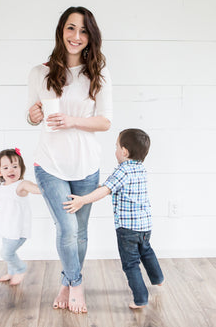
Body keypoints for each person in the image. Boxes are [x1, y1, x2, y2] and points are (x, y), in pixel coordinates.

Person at [26, 6, 113, 313]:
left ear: (90, 37)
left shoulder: (97, 76)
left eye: (83, 31)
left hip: (86, 165)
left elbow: (105, 122)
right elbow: (32, 115)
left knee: (80, 230)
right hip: (49, 164)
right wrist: (33, 115)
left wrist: (73, 121)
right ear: (61, 30)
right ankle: (77, 284)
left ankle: (66, 280)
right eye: (71, 28)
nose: (76, 36)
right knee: (66, 228)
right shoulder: (40, 72)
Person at [63, 128, 164, 309]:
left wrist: (83, 200)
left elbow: (106, 190)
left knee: (131, 263)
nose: (115, 150)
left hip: (127, 229)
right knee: (146, 251)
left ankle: (140, 298)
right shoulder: (140, 169)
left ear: (124, 151)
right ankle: (158, 278)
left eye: (116, 146)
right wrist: (103, 187)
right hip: (145, 225)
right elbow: (118, 189)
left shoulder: (123, 171)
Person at [0, 148, 41, 286]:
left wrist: (47, 187)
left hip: (18, 231)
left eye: (15, 166)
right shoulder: (3, 186)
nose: (11, 170)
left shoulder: (22, 185)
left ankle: (20, 269)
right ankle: (12, 272)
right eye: (6, 167)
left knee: (6, 253)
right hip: (6, 228)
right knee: (8, 251)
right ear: (0, 172)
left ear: (21, 168)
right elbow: (5, 198)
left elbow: (37, 189)